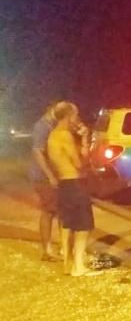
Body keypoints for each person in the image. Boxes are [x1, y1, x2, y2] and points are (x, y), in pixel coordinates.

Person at [46, 101, 95, 276]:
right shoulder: (65, 135)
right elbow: (79, 163)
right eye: (75, 115)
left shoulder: (52, 135)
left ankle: (68, 264)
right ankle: (79, 267)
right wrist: (84, 139)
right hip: (75, 184)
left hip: (63, 184)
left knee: (67, 225)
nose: (77, 118)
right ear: (68, 116)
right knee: (82, 227)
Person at [30, 103, 60, 260]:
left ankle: (60, 248)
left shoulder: (51, 125)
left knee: (57, 210)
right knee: (48, 211)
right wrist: (50, 175)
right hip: (43, 177)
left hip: (51, 175)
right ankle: (47, 251)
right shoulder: (41, 126)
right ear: (51, 109)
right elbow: (38, 152)